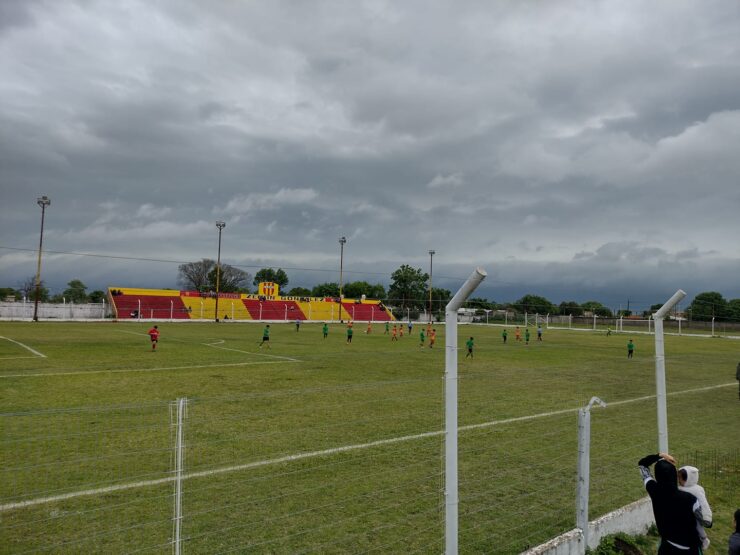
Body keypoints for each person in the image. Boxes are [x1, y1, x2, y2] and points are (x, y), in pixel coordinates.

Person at [638, 452, 704, 554]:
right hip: (690, 548)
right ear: (674, 475)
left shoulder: (654, 491)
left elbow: (642, 465)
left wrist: (660, 455)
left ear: (657, 476)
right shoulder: (691, 499)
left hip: (667, 547)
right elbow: (704, 521)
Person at [678, 465, 712, 550]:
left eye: (681, 478)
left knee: (697, 526)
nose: (679, 480)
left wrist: (706, 517)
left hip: (695, 513)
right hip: (684, 513)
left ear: (689, 478)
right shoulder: (680, 488)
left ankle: (704, 539)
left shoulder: (697, 490)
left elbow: (704, 504)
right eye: (678, 478)